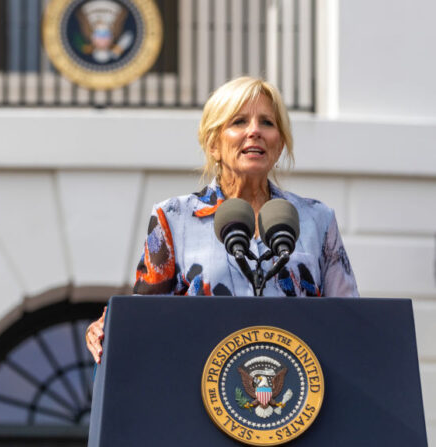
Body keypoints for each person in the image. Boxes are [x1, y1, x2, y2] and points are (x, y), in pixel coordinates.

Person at [85, 77, 358, 363]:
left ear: (279, 146)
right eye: (239, 122)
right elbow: (144, 316)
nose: (254, 131)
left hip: (299, 390)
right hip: (199, 386)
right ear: (214, 144)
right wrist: (110, 324)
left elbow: (352, 321)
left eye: (267, 122)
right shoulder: (174, 218)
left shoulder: (317, 219)